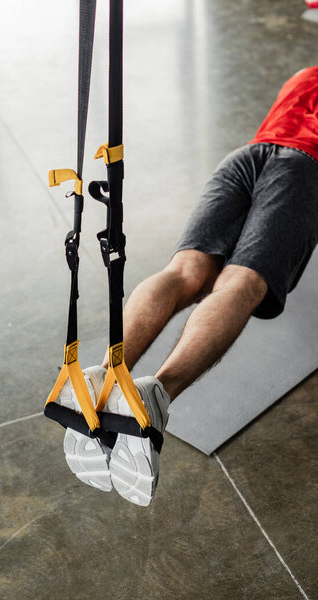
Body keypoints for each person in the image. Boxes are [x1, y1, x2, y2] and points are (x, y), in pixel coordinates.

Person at [57, 66, 318, 507]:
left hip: (245, 158)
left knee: (184, 272)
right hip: (304, 169)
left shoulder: (305, 74)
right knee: (242, 283)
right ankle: (154, 397)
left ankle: (102, 377)